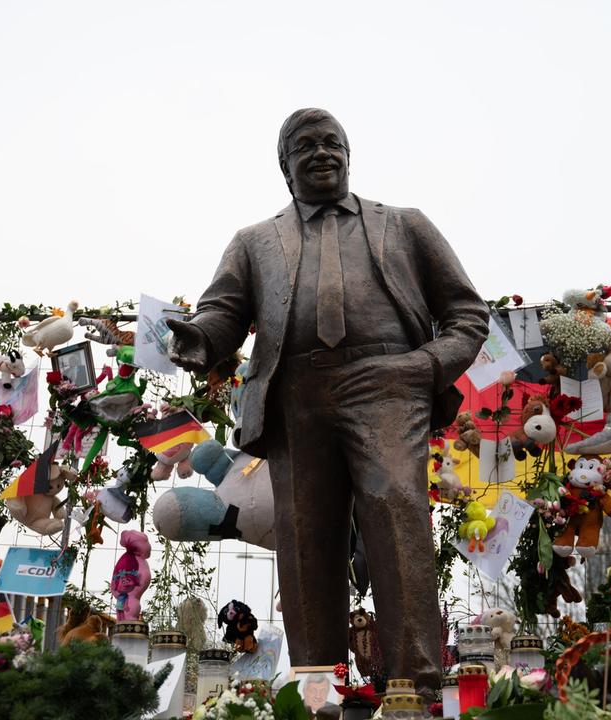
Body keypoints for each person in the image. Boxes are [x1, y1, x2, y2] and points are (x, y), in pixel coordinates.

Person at [165, 109, 488, 694]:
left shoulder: (405, 225)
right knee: (306, 535)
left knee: (396, 510)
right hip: (296, 395)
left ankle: (414, 687)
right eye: (305, 147)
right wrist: (199, 337)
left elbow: (468, 315)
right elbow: (223, 314)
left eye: (332, 143)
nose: (321, 154)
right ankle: (318, 692)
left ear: (349, 154)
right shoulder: (255, 242)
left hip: (388, 384)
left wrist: (422, 368)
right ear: (286, 168)